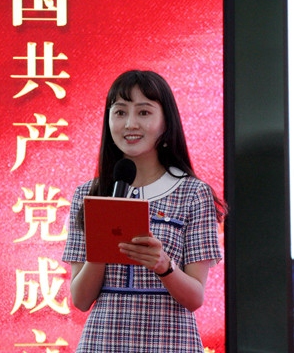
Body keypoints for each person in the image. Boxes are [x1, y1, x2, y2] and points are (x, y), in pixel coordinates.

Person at [62, 70, 225, 352]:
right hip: (103, 343)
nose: (130, 124)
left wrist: (164, 265)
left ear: (166, 122)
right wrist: (102, 246)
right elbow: (81, 299)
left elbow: (195, 298)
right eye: (120, 112)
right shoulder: (88, 194)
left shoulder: (193, 193)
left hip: (171, 344)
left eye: (144, 112)